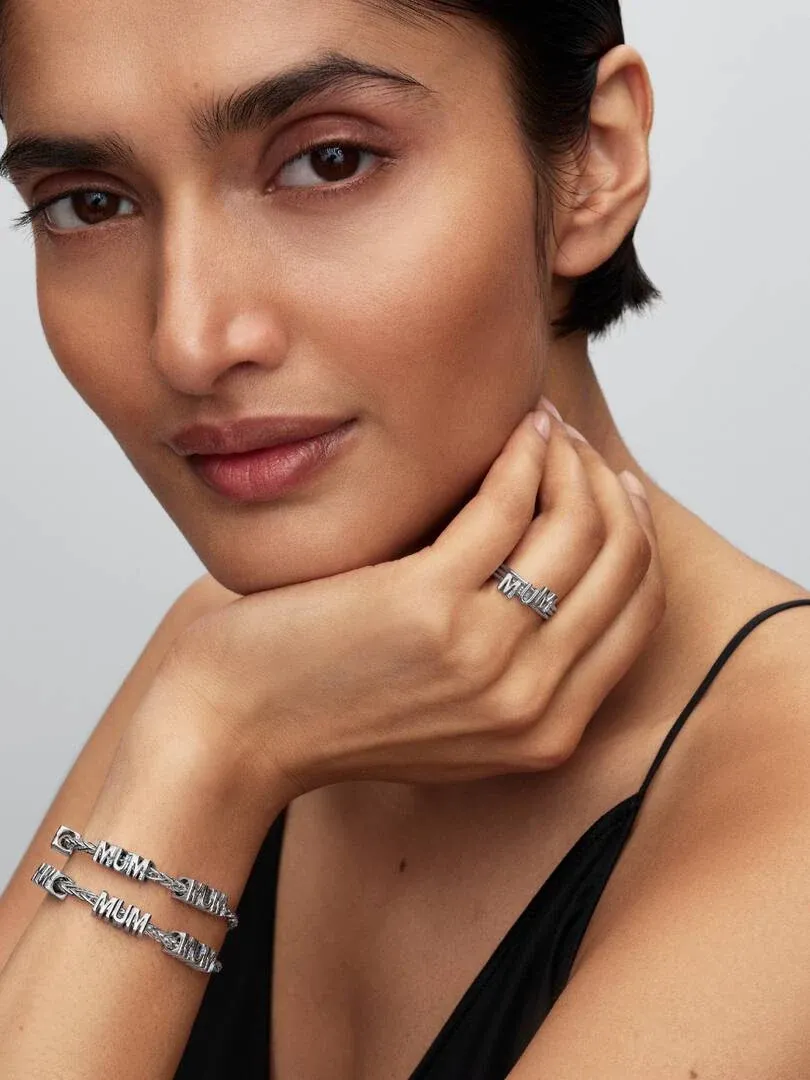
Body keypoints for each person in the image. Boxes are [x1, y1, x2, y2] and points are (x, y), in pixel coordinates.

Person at [1, 1, 809, 1077]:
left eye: (327, 162)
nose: (189, 339)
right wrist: (217, 745)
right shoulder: (234, 668)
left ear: (596, 166)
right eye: (87, 203)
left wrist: (217, 741)